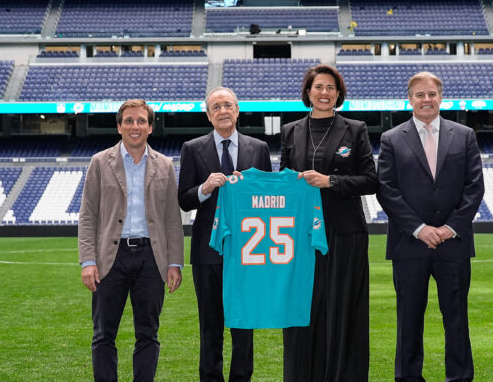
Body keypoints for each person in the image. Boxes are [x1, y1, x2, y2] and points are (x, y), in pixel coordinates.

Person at [376, 71, 484, 382]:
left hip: (455, 243)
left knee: (456, 319)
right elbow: (387, 188)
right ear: (409, 99)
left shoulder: (464, 135)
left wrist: (450, 228)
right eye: (420, 95)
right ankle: (408, 377)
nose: (426, 100)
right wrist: (419, 228)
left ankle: (460, 377)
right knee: (408, 320)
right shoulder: (392, 138)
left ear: (441, 96)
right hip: (409, 245)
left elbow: (474, 187)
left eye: (432, 94)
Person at [280, 64, 378, 382]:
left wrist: (330, 181)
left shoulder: (355, 129)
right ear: (308, 92)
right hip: (300, 236)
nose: (325, 93)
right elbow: (283, 180)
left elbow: (370, 180)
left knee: (343, 309)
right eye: (318, 87)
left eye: (331, 87)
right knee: (303, 308)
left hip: (344, 233)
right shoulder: (290, 130)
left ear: (339, 93)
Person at [78, 99, 184, 382]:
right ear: (119, 126)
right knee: (103, 335)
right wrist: (88, 261)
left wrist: (175, 262)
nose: (134, 126)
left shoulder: (165, 165)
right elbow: (87, 215)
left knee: (148, 334)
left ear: (150, 127)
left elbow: (172, 219)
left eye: (140, 121)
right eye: (128, 121)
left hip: (152, 258)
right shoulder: (100, 162)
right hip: (109, 258)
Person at [178, 87, 272, 382]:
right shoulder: (192, 148)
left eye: (227, 105)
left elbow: (268, 198)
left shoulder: (258, 148)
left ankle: (241, 378)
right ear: (208, 114)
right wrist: (205, 189)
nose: (222, 110)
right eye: (216, 106)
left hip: (249, 249)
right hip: (208, 249)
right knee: (210, 323)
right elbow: (184, 199)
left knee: (244, 323)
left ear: (237, 110)